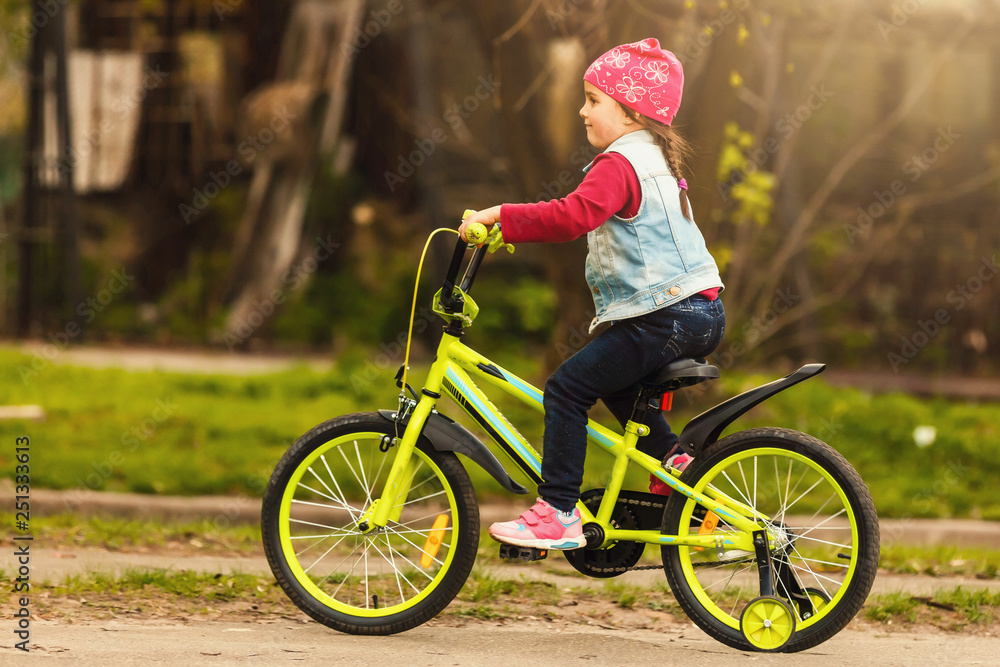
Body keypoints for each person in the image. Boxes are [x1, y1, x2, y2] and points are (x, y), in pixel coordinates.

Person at [459, 38, 725, 551]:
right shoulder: (654, 159)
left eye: (593, 99)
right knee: (614, 383)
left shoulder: (619, 164)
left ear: (631, 112)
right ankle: (676, 468)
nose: (582, 110)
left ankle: (558, 512)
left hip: (664, 315)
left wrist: (503, 217)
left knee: (566, 388)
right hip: (698, 311)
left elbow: (571, 215)